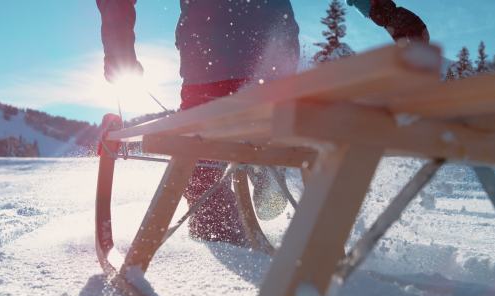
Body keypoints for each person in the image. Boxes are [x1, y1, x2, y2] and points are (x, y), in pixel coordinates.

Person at [96, 0, 428, 245]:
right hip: (267, 59)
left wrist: (119, 47)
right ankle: (262, 168)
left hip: (210, 65)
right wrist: (385, 12)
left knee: (201, 160)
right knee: (251, 131)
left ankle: (225, 224)